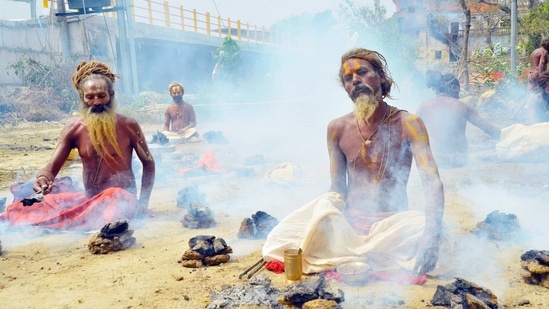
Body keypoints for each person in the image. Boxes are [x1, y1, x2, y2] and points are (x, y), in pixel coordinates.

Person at [263, 48, 450, 278]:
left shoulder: (409, 123)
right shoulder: (337, 129)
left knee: (443, 240)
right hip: (349, 229)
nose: (356, 81)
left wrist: (431, 236)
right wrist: (323, 211)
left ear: (381, 76)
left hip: (393, 228)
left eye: (362, 72)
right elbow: (337, 188)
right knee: (284, 238)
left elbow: (433, 183)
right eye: (348, 78)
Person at [0, 61, 155, 230]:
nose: (96, 102)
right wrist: (43, 180)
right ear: (82, 98)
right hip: (88, 200)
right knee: (28, 205)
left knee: (113, 197)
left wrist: (143, 202)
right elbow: (50, 169)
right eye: (90, 97)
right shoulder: (74, 130)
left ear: (111, 95)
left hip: (121, 200)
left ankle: (97, 226)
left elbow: (148, 164)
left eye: (101, 96)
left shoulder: (128, 126)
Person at [416, 71, 501, 167]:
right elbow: (488, 128)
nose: (458, 96)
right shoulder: (461, 106)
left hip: (433, 160)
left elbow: (413, 135)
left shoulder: (423, 107)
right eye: (458, 92)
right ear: (453, 88)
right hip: (457, 160)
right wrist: (508, 136)